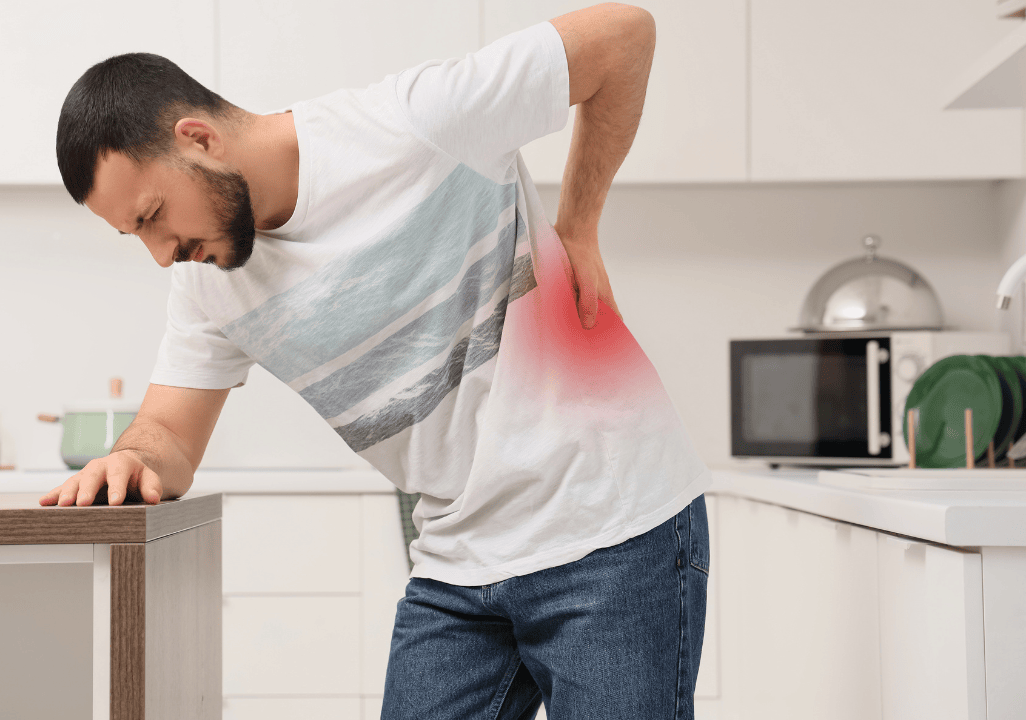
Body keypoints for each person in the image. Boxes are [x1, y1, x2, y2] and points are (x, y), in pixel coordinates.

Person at [42, 3, 711, 717]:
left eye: (152, 216)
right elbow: (169, 436)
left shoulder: (411, 123)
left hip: (610, 526)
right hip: (458, 560)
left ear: (198, 139)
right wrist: (132, 459)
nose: (161, 254)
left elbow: (622, 38)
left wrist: (579, 225)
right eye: (135, 235)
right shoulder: (209, 285)